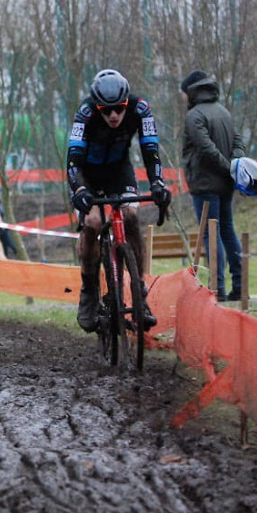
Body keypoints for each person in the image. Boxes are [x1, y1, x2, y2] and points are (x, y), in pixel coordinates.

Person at [67, 68, 171, 333]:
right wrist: (79, 190)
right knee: (92, 223)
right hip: (87, 174)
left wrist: (158, 183)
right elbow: (73, 160)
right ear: (97, 107)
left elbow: (150, 150)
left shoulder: (141, 109)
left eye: (119, 108)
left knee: (131, 216)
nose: (113, 115)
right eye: (106, 110)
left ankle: (139, 291)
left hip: (118, 169)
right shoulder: (85, 113)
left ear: (128, 102)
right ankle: (88, 288)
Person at [180, 69, 247, 301]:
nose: (182, 98)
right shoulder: (224, 112)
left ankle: (216, 289)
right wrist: (234, 166)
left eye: (183, 93)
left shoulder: (194, 116)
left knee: (211, 234)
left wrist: (228, 167)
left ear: (191, 91)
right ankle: (240, 285)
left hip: (205, 183)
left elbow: (205, 148)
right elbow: (238, 141)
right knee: (228, 230)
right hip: (226, 184)